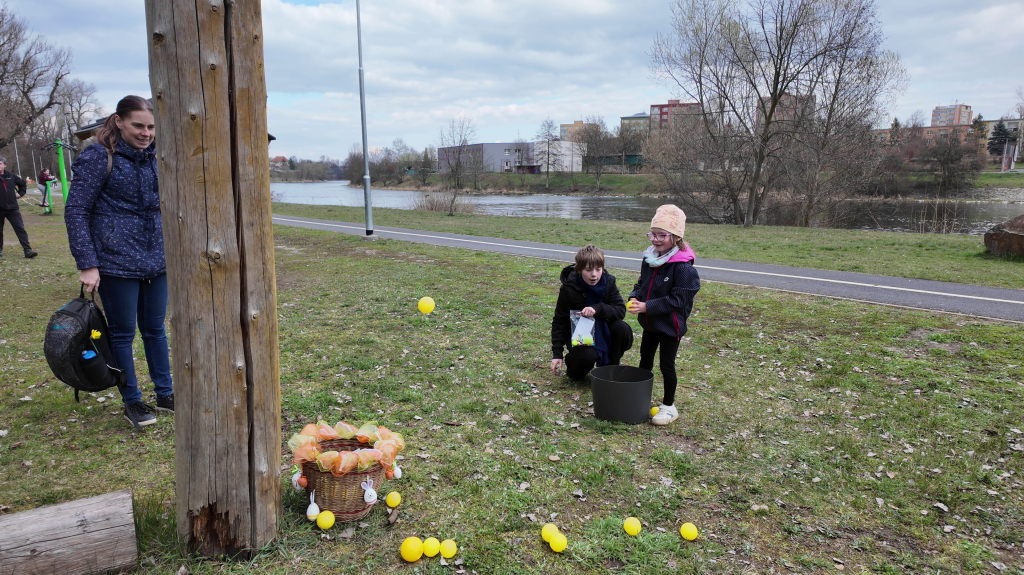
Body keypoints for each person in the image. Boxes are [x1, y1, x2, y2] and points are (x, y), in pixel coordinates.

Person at [65, 95, 173, 431]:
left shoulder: (158, 156)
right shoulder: (98, 157)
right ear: (119, 121)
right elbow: (77, 209)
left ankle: (166, 394)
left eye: (151, 127)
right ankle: (132, 400)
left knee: (155, 330)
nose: (145, 133)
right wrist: (87, 262)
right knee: (123, 334)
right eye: (138, 125)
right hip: (115, 261)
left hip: (157, 258)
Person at [627, 205, 700, 426]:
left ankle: (669, 406)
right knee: (645, 360)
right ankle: (640, 399)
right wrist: (635, 297)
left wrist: (647, 306)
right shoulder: (650, 259)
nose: (656, 240)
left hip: (670, 326)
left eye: (662, 235)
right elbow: (642, 284)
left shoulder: (684, 268)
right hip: (650, 324)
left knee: (666, 365)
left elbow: (679, 300)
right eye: (653, 234)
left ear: (676, 237)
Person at [551, 245, 634, 381]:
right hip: (580, 332)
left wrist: (598, 308)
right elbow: (559, 320)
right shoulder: (569, 288)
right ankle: (574, 365)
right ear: (579, 269)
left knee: (621, 328)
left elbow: (620, 310)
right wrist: (557, 353)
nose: (594, 274)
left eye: (598, 269)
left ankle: (610, 369)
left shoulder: (609, 282)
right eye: (588, 270)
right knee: (585, 360)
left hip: (603, 328)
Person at [0, 156, 38, 259]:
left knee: (20, 228)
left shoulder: (11, 176)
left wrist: (20, 194)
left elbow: (22, 185)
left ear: (4, 165)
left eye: (0, 164)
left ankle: (27, 250)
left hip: (12, 208)